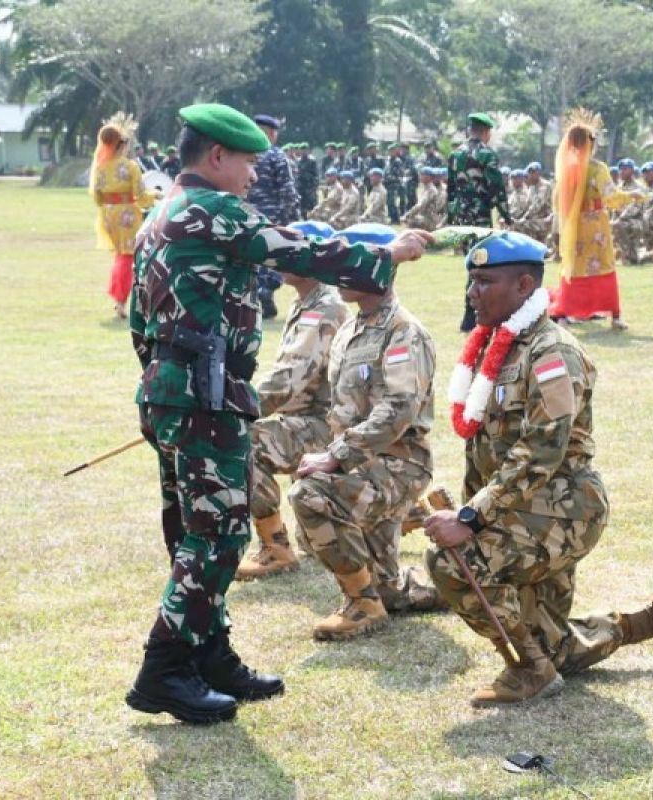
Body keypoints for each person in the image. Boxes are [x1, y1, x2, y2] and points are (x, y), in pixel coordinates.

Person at [125, 102, 430, 725]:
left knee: (193, 529)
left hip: (170, 392)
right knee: (218, 534)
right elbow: (305, 251)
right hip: (206, 398)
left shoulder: (159, 216)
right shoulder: (214, 210)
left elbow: (139, 320)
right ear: (216, 157)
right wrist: (388, 254)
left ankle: (211, 656)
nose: (253, 176)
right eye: (247, 162)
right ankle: (164, 670)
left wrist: (169, 382)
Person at [423, 231, 653, 706]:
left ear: (524, 285)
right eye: (472, 281)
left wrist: (470, 518)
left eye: (485, 282)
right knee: (560, 649)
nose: (473, 293)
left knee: (454, 562)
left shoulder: (552, 353)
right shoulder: (499, 345)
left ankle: (531, 670)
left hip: (561, 512)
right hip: (522, 509)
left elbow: (540, 453)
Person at [289, 224, 443, 639]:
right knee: (388, 585)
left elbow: (399, 409)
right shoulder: (350, 328)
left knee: (310, 494)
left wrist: (336, 456)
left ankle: (362, 604)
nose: (343, 272)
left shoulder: (403, 332)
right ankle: (395, 590)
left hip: (399, 464)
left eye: (356, 261)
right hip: (366, 463)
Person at [236, 222, 350, 581]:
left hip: (328, 427)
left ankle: (275, 548)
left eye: (290, 251)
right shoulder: (308, 301)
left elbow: (289, 382)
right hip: (312, 420)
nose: (279, 258)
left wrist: (233, 408)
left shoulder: (324, 308)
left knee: (244, 441)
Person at [548, 109, 637, 330]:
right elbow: (612, 197)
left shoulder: (566, 169)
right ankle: (615, 316)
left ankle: (563, 314)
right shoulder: (597, 168)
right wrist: (632, 196)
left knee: (574, 268)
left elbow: (557, 199)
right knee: (604, 266)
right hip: (596, 226)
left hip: (574, 227)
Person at [447, 112, 513, 332]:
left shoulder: (456, 154)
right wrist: (505, 214)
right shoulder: (487, 155)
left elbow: (451, 190)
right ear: (486, 131)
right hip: (480, 216)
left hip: (461, 216)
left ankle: (471, 315)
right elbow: (496, 188)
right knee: (480, 263)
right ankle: (471, 315)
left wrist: (450, 218)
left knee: (471, 262)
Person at [90, 113, 155, 319]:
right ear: (121, 144)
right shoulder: (130, 166)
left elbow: (98, 196)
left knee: (120, 256)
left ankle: (117, 294)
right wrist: (156, 196)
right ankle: (120, 300)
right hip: (127, 215)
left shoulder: (100, 167)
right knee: (128, 258)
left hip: (108, 216)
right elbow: (142, 196)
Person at [246, 114, 299, 319]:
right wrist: (292, 217)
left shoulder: (245, 154)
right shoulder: (276, 155)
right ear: (271, 133)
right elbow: (287, 189)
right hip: (273, 216)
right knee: (274, 255)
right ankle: (265, 291)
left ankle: (254, 295)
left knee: (251, 255)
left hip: (247, 216)